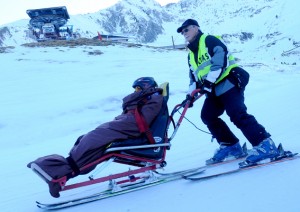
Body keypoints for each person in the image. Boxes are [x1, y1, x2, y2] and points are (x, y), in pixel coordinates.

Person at [27, 77, 164, 198]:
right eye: (135, 88)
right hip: (127, 125)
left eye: (139, 88)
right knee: (87, 139)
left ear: (148, 86)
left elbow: (142, 121)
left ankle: (62, 173)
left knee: (93, 139)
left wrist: (121, 122)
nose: (135, 91)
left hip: (133, 128)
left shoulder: (155, 97)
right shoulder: (146, 98)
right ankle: (63, 172)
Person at [177, 19, 279, 166]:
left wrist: (208, 82)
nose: (183, 33)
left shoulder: (209, 40)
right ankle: (231, 145)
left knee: (236, 113)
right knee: (208, 116)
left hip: (229, 80)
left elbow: (220, 61)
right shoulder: (191, 54)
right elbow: (193, 78)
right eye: (181, 32)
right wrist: (189, 96)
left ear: (196, 28)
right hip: (213, 88)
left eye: (186, 30)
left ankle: (265, 145)